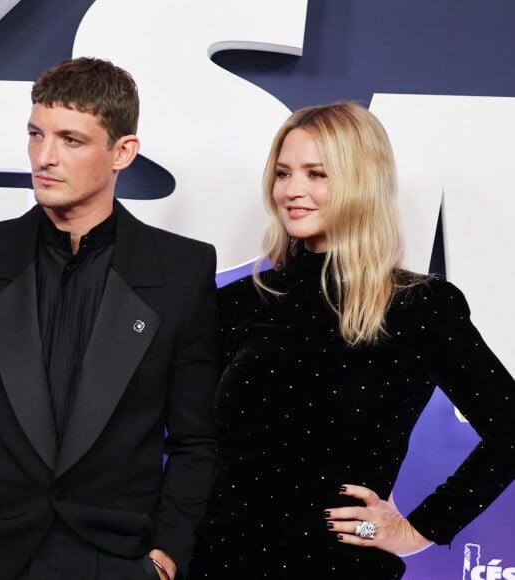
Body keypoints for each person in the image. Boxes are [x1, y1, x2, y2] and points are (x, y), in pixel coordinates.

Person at [187, 102, 515, 579]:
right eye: (283, 173)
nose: (293, 191)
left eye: (316, 174)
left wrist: (417, 528)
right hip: (217, 564)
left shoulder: (417, 305)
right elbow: (195, 446)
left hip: (337, 568)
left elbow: (509, 431)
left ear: (362, 181)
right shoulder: (240, 301)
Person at [0, 57, 219, 580]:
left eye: (71, 140)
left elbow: (194, 440)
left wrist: (166, 556)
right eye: (35, 134)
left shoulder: (183, 269)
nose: (44, 157)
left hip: (115, 557)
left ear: (123, 152)